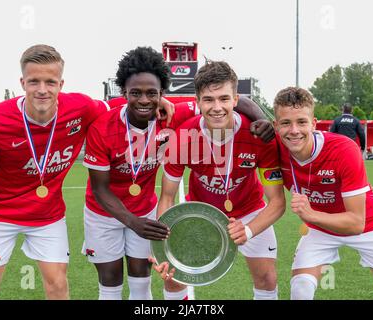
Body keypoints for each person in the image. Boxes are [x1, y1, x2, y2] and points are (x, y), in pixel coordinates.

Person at [82, 49, 275, 300]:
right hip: (104, 212)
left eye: (152, 93)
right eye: (135, 93)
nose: (144, 100)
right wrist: (132, 223)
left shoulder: (179, 114)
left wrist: (261, 119)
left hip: (145, 210)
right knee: (109, 282)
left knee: (141, 281)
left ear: (163, 94)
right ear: (124, 93)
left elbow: (236, 101)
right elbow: (99, 189)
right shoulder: (102, 127)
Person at [0, 44, 106, 300]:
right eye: (34, 81)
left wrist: (157, 99)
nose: (42, 90)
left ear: (61, 84)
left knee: (58, 285)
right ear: (22, 82)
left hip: (47, 216)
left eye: (50, 82)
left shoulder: (80, 107)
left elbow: (118, 107)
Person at [152, 61, 286, 300]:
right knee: (172, 278)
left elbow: (276, 201)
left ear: (236, 99)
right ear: (197, 101)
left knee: (267, 279)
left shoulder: (258, 137)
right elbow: (167, 197)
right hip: (200, 215)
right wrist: (163, 248)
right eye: (208, 99)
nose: (217, 107)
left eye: (224, 99)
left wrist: (249, 229)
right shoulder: (182, 138)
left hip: (250, 211)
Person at [273, 87, 373, 300]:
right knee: (300, 289)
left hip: (368, 224)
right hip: (321, 228)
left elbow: (356, 223)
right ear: (275, 126)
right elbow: (236, 107)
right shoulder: (274, 146)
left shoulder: (344, 150)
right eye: (286, 123)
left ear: (314, 124)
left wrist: (310, 214)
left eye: (302, 122)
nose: (294, 130)